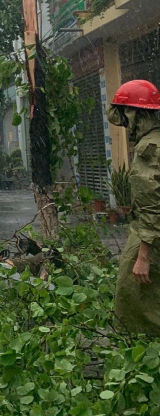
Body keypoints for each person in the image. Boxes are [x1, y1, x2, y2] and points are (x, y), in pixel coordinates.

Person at [108, 80, 160, 336]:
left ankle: (139, 359)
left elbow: (151, 205)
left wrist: (143, 256)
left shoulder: (148, 148)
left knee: (132, 299)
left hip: (150, 235)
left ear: (137, 115)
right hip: (150, 232)